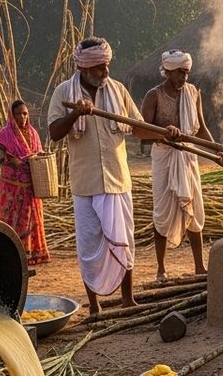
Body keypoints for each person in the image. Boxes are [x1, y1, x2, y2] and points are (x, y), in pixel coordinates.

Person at [48, 37, 178, 315]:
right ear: (84, 68)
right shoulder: (63, 93)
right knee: (89, 246)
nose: (105, 73)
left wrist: (165, 133)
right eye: (99, 68)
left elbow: (138, 128)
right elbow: (55, 132)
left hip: (118, 181)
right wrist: (76, 114)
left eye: (106, 66)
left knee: (123, 240)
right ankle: (94, 307)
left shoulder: (117, 91)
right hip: (85, 184)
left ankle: (127, 299)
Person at [141, 50, 213, 282]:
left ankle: (199, 266)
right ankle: (161, 269)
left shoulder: (192, 93)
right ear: (169, 71)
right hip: (164, 157)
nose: (184, 77)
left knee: (194, 207)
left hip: (188, 158)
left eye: (187, 72)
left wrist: (216, 151)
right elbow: (141, 131)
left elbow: (200, 129)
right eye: (180, 72)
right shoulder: (154, 96)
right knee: (162, 212)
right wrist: (163, 134)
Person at [0, 100, 50, 266]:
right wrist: (12, 161)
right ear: (12, 115)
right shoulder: (5, 134)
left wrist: (39, 156)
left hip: (31, 186)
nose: (23, 117)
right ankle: (11, 252)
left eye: (25, 113)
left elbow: (38, 152)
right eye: (19, 113)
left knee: (31, 219)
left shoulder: (33, 133)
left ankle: (32, 252)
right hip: (12, 187)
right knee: (12, 220)